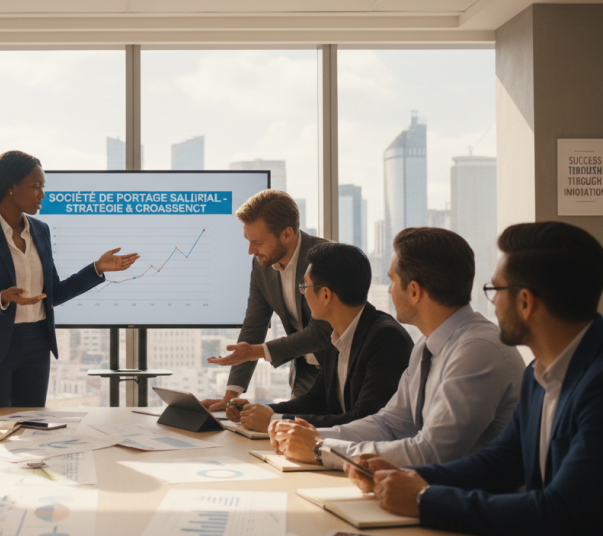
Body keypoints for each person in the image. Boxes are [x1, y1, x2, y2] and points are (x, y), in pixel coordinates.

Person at [346, 222, 603, 536]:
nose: (491, 303)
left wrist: (425, 499)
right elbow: (501, 462)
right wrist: (413, 478)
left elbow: (561, 512)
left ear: (525, 301)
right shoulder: (540, 374)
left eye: (495, 289)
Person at [271, 228, 525, 468]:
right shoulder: (427, 345)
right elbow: (389, 424)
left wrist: (321, 449)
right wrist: (307, 435)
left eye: (392, 281)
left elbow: (431, 452)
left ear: (414, 291)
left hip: (468, 504)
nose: (389, 291)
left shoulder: (476, 350)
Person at [0, 151, 139, 407]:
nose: (42, 194)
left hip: (36, 345)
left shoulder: (40, 230)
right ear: (10, 187)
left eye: (43, 187)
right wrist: (2, 298)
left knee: (32, 427)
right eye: (35, 186)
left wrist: (97, 268)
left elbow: (54, 294)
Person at [226, 242, 412, 432]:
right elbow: (315, 401)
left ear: (325, 295)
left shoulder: (386, 339)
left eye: (304, 286)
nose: (304, 293)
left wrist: (275, 420)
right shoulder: (336, 335)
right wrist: (260, 411)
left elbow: (365, 421)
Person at [200, 190, 334, 409]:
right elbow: (254, 326)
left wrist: (257, 351)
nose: (251, 251)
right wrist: (230, 395)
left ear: (287, 234)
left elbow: (321, 332)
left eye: (258, 242)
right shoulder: (262, 265)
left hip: (341, 372)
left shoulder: (327, 258)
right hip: (305, 375)